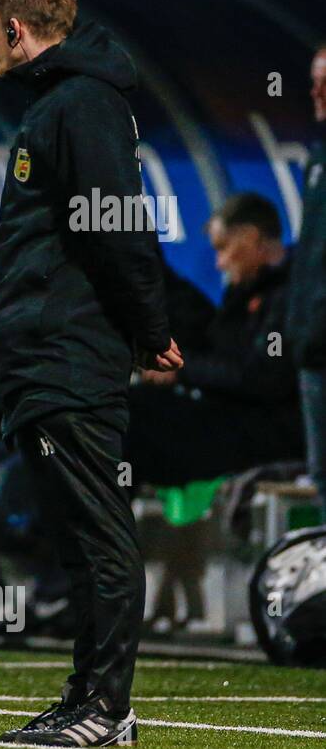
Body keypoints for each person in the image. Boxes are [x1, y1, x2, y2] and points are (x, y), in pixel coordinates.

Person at [0, 0, 181, 747]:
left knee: (99, 533)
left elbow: (116, 228)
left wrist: (149, 329)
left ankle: (107, 708)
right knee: (75, 535)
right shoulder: (62, 103)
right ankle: (83, 698)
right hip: (43, 352)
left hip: (71, 352)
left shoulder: (83, 104)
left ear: (19, 31)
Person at [128, 194, 301, 484]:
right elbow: (213, 342)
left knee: (131, 420)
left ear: (250, 237)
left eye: (223, 248)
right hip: (232, 418)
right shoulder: (244, 292)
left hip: (264, 433)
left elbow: (262, 375)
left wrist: (181, 370)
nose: (219, 264)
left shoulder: (287, 297)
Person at [289, 45, 326, 510]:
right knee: (322, 483)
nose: (316, 93)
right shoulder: (317, 158)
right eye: (314, 81)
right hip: (313, 350)